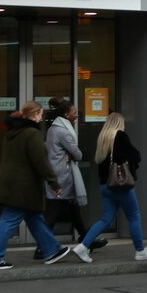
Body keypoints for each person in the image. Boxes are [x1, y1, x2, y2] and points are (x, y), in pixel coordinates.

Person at [0, 102, 71, 270]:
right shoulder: (32, 133)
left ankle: (52, 250)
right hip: (23, 186)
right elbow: (41, 161)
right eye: (41, 114)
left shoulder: (12, 132)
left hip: (12, 183)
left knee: (34, 217)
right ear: (35, 114)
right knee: (9, 219)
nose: (42, 117)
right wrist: (54, 182)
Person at [72, 112, 147, 263]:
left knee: (105, 219)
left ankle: (83, 246)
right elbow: (136, 156)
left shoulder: (103, 138)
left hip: (105, 185)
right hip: (120, 184)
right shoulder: (120, 136)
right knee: (133, 216)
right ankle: (140, 250)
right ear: (119, 123)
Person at [36, 97, 105, 259]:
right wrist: (71, 155)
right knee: (53, 213)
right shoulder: (63, 132)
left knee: (73, 210)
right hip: (63, 176)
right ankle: (41, 247)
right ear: (67, 115)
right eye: (74, 113)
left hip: (57, 174)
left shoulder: (53, 129)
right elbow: (78, 154)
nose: (76, 115)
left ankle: (86, 240)